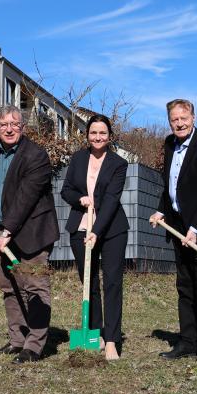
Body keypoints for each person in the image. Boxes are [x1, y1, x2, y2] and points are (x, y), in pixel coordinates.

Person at [0, 105, 60, 364]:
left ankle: (35, 345)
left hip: (32, 234)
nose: (9, 129)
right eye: (3, 125)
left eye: (14, 124)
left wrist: (8, 231)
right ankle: (17, 340)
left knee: (35, 287)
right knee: (10, 288)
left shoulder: (36, 155)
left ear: (23, 127)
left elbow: (26, 197)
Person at [149, 99, 197, 364]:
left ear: (193, 117)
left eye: (183, 118)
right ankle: (188, 341)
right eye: (174, 119)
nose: (179, 123)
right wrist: (162, 210)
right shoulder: (170, 145)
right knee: (184, 285)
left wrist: (195, 229)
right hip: (178, 225)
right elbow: (170, 185)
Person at [61, 115, 129, 361]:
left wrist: (96, 231)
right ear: (87, 135)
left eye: (102, 133)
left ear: (109, 136)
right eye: (93, 133)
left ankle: (111, 340)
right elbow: (65, 190)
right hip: (80, 227)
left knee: (112, 283)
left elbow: (111, 201)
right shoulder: (78, 159)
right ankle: (97, 334)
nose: (98, 137)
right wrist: (80, 199)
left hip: (111, 230)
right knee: (89, 283)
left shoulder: (119, 164)